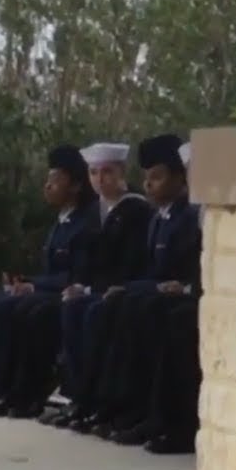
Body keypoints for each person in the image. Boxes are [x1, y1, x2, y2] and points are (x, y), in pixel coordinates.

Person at [0, 146, 98, 415]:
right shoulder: (61, 221)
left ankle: (23, 392)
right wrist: (26, 281)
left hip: (71, 294)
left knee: (23, 311)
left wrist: (35, 286)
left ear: (75, 185)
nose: (47, 186)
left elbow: (78, 275)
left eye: (55, 180)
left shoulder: (87, 221)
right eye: (47, 179)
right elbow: (52, 271)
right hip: (50, 291)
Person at [69, 134, 201, 440]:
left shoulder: (188, 216)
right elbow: (152, 272)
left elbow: (191, 269)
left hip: (184, 295)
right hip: (161, 292)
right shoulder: (160, 219)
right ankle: (112, 405)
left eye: (157, 177)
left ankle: (152, 414)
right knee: (119, 304)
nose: (149, 185)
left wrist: (184, 287)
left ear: (179, 179)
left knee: (143, 311)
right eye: (147, 177)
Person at [42, 142, 153, 428]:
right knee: (72, 308)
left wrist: (94, 289)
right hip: (96, 289)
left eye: (107, 171)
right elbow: (88, 264)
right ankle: (80, 398)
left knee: (94, 316)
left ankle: (104, 402)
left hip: (124, 287)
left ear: (121, 173)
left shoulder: (136, 210)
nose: (100, 178)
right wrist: (82, 286)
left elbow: (131, 261)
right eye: (93, 172)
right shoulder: (94, 213)